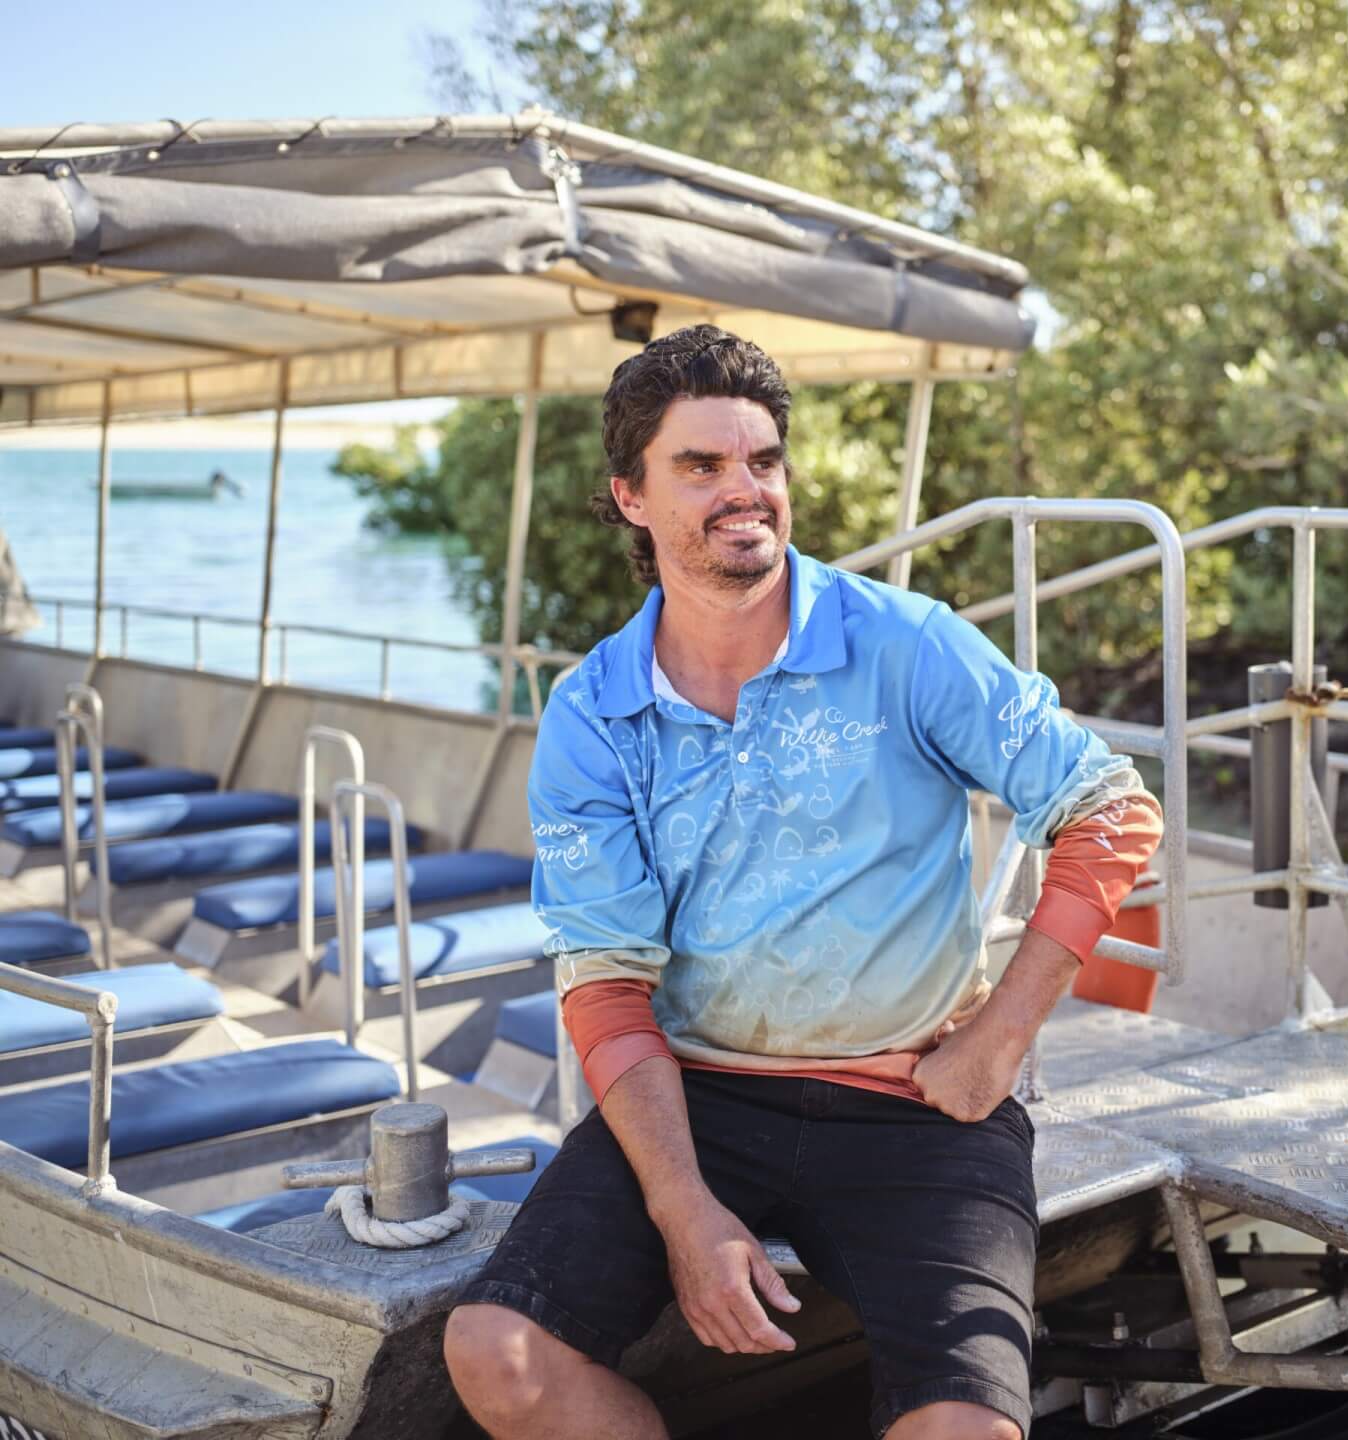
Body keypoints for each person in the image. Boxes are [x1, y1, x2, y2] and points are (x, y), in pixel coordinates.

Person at [444, 325, 1163, 1440]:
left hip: (919, 1102)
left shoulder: (907, 645)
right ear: (631, 497)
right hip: (700, 1095)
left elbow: (1109, 807)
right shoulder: (593, 714)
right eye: (702, 466)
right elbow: (605, 982)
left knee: (968, 1433)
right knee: (498, 1353)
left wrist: (1001, 1039)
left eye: (764, 461)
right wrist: (685, 1211)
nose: (747, 490)